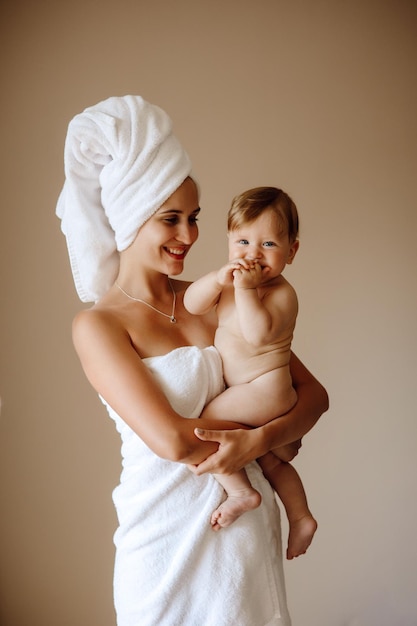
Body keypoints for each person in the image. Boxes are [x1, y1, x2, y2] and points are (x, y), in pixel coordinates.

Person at [56, 95, 328, 626]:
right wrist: (261, 437)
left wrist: (259, 441)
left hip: (242, 534)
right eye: (171, 219)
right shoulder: (100, 325)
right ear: (132, 219)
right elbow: (173, 441)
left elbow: (314, 396)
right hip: (163, 535)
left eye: (195, 218)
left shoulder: (222, 298)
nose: (190, 236)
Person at [184, 187, 317, 559]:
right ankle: (301, 515)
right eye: (242, 240)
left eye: (269, 244)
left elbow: (258, 333)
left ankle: (242, 492)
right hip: (255, 392)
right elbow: (194, 305)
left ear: (291, 251)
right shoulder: (229, 283)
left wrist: (245, 288)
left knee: (208, 424)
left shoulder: (280, 293)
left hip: (266, 389)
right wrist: (216, 280)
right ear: (228, 241)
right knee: (270, 459)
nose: (253, 254)